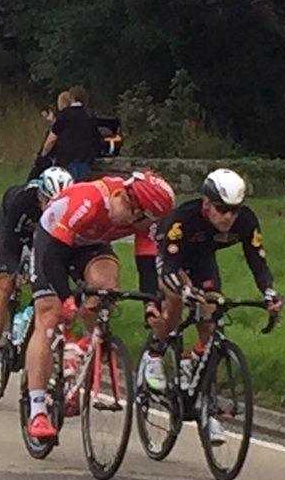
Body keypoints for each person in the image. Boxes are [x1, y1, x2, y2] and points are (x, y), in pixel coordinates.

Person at [24, 170, 175, 439]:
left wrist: (150, 304)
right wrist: (67, 298)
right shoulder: (88, 201)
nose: (149, 228)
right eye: (149, 221)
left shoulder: (144, 220)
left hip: (92, 244)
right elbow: (53, 259)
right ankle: (37, 410)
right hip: (54, 243)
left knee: (106, 290)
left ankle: (83, 346)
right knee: (50, 314)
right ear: (132, 208)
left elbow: (147, 265)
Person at [142, 170, 282, 440]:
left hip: (203, 258)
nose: (228, 217)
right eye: (221, 209)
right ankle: (155, 352)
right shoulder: (184, 219)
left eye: (234, 210)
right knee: (175, 299)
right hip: (172, 255)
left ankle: (206, 406)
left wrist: (268, 291)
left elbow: (257, 261)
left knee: (211, 320)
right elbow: (170, 267)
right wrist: (185, 290)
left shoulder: (246, 221)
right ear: (206, 204)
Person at [0, 167, 74, 388]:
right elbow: (7, 244)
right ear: (41, 196)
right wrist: (14, 270)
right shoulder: (21, 201)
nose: (55, 208)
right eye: (50, 202)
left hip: (44, 235)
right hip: (13, 229)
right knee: (4, 283)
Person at [38, 85, 98, 181]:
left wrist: (43, 154)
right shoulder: (89, 116)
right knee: (80, 183)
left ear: (71, 97)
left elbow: (52, 139)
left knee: (69, 183)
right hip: (84, 157)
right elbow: (95, 137)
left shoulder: (64, 115)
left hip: (67, 156)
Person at [28, 91, 72, 180]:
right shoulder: (76, 120)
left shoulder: (61, 119)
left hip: (55, 157)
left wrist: (42, 155)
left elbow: (51, 140)